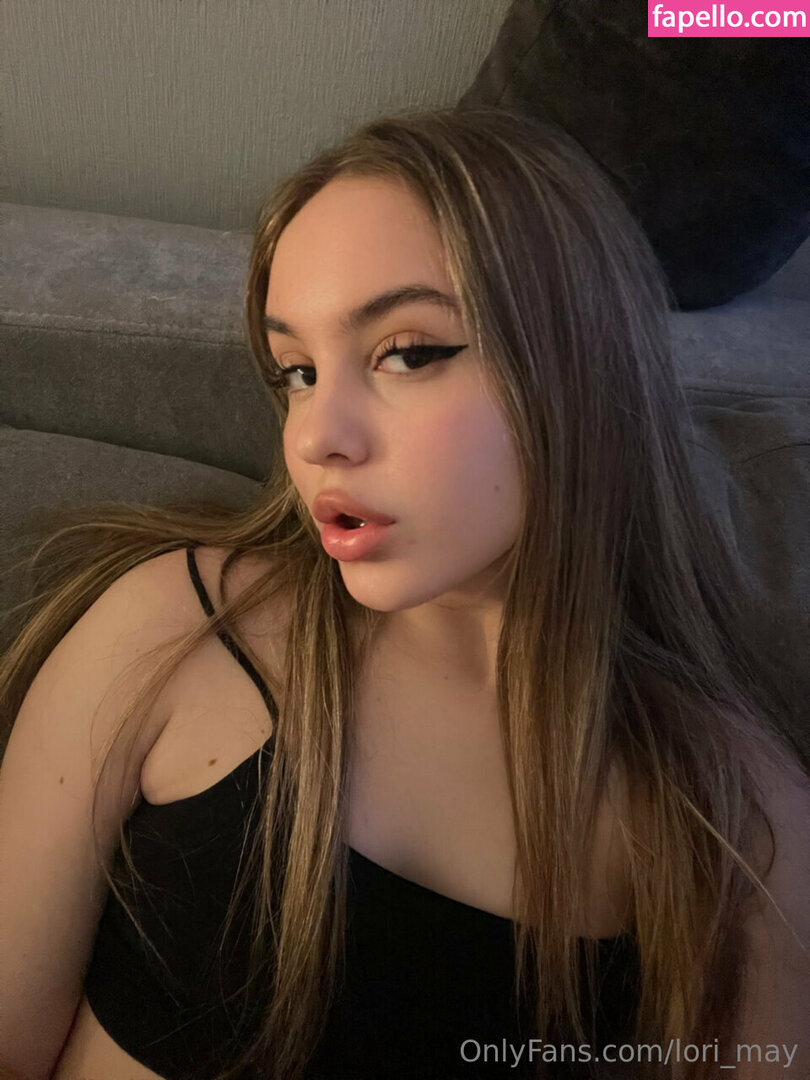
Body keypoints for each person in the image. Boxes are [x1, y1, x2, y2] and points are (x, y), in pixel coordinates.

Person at [0, 106, 807, 1080]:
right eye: (297, 371)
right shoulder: (176, 628)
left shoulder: (736, 821)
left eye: (409, 352)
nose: (315, 436)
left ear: (582, 367)